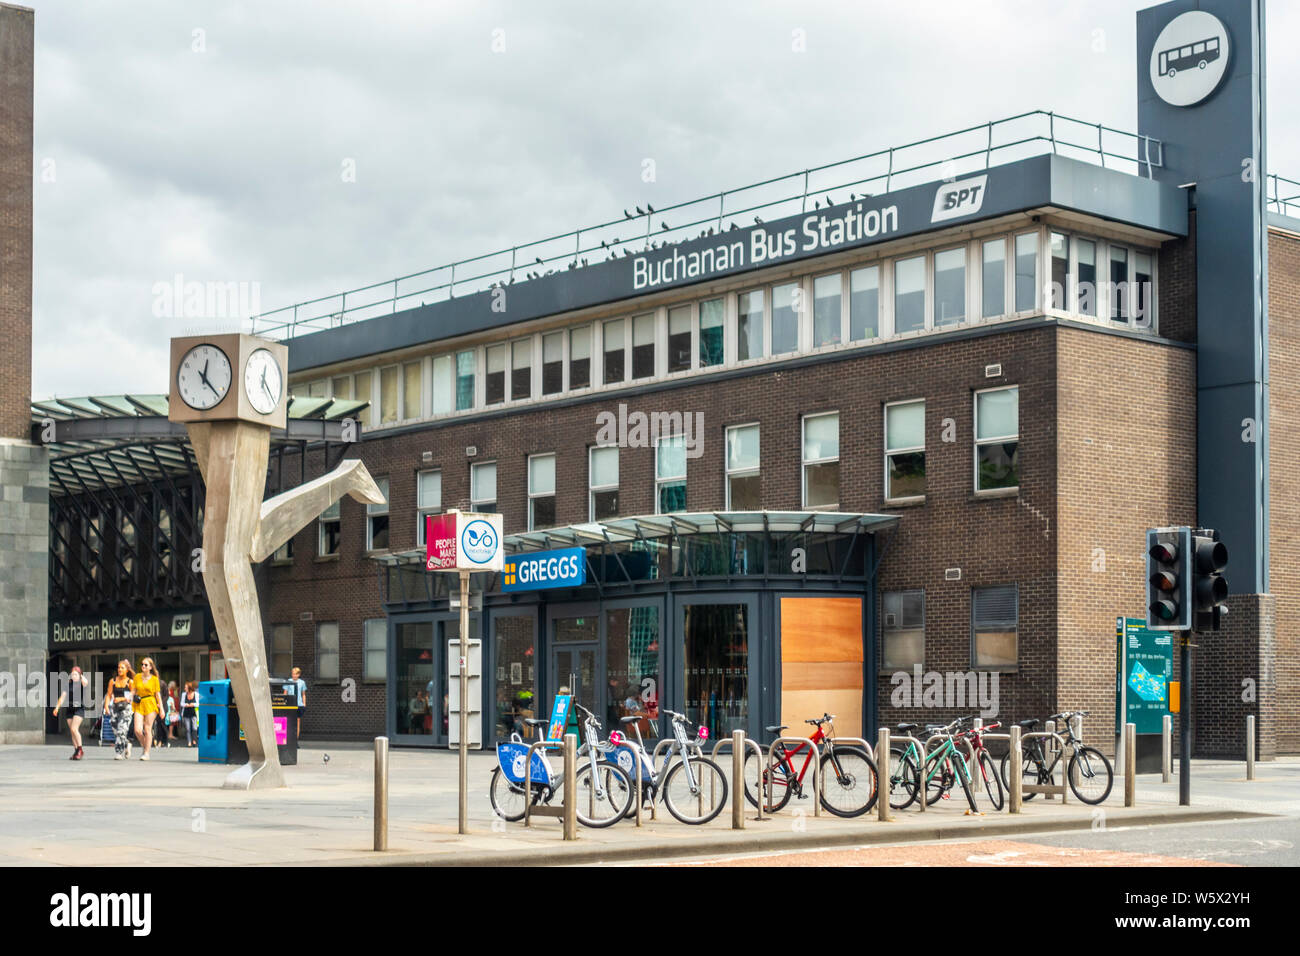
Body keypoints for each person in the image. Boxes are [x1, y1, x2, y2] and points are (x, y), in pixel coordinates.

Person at [52, 665, 90, 760]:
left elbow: (86, 682)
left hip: (79, 709)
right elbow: (62, 697)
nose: (74, 676)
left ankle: (80, 749)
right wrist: (57, 707)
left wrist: (80, 675)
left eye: (76, 674)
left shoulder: (82, 683)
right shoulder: (68, 685)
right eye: (72, 674)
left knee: (74, 728)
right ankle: (76, 750)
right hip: (69, 709)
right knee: (72, 732)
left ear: (80, 675)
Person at [131, 657, 163, 760]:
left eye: (145, 665)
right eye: (142, 664)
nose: (143, 666)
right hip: (139, 703)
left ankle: (146, 753)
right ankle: (145, 746)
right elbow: (133, 691)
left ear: (150, 667)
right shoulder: (137, 677)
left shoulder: (154, 679)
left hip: (150, 703)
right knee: (137, 730)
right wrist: (128, 698)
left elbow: (158, 695)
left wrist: (161, 709)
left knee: (147, 728)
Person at [103, 660, 135, 760]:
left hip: (126, 708)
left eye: (122, 668)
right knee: (115, 729)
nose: (120, 669)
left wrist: (121, 698)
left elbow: (132, 697)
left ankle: (119, 752)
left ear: (127, 670)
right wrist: (106, 706)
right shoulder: (112, 681)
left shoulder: (130, 682)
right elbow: (108, 695)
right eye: (119, 667)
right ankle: (127, 744)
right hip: (115, 708)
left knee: (122, 730)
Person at [180, 681, 199, 747]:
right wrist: (186, 705)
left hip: (194, 713)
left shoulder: (196, 694)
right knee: (188, 728)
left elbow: (198, 703)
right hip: (186, 713)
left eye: (186, 687)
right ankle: (189, 742)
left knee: (194, 727)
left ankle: (194, 741)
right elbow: (181, 703)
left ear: (190, 688)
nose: (185, 688)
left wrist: (193, 704)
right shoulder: (184, 694)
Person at [289, 666, 307, 738]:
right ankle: (290, 740)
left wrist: (304, 703)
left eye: (296, 674)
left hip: (299, 704)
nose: (294, 675)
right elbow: (285, 693)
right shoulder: (288, 681)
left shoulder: (302, 682)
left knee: (297, 722)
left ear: (299, 674)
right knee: (290, 722)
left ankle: (296, 740)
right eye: (293, 674)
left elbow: (303, 694)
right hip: (290, 704)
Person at [163, 682, 180, 746]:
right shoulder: (172, 694)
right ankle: (169, 734)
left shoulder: (169, 696)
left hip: (168, 712)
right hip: (168, 713)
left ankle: (169, 735)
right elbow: (175, 699)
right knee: (170, 724)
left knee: (169, 724)